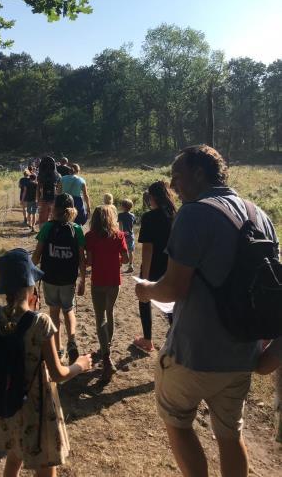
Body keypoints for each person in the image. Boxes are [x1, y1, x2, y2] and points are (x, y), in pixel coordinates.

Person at [135, 145, 278, 477]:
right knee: (231, 436)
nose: (172, 185)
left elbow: (173, 288)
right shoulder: (260, 216)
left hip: (193, 353)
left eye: (177, 176)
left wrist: (145, 289)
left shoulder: (194, 212)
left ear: (199, 173)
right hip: (243, 353)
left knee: (178, 424)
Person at [0, 248, 92, 476]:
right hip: (38, 405)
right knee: (45, 462)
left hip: (10, 398)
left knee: (14, 453)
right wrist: (80, 365)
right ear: (31, 286)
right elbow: (58, 373)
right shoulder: (40, 322)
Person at [32, 194, 86, 365]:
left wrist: (31, 276)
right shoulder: (77, 229)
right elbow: (81, 258)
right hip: (68, 278)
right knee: (68, 309)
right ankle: (72, 340)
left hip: (50, 277)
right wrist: (83, 279)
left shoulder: (47, 227)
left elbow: (37, 255)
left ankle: (59, 348)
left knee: (54, 312)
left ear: (54, 209)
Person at [85, 204, 129, 381]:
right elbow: (125, 259)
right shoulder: (119, 236)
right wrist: (116, 258)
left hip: (98, 281)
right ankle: (106, 346)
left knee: (99, 317)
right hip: (114, 281)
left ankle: (106, 356)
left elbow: (89, 261)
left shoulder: (90, 236)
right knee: (110, 313)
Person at [133, 181, 177, 353]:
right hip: (173, 266)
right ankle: (175, 335)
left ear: (152, 197)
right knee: (173, 304)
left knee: (144, 299)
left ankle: (147, 339)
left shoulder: (149, 218)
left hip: (154, 267)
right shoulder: (176, 215)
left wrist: (144, 276)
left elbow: (148, 249)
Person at [37, 156, 61, 227]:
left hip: (43, 198)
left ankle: (43, 234)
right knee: (54, 218)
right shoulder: (58, 175)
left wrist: (37, 199)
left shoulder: (40, 176)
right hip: (54, 199)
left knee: (43, 219)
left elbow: (38, 188)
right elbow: (59, 189)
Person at [118, 198, 136, 273]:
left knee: (121, 249)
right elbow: (133, 224)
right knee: (130, 250)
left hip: (123, 234)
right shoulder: (132, 215)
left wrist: (120, 233)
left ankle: (120, 263)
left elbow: (120, 226)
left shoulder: (120, 215)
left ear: (123, 207)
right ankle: (131, 265)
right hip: (131, 235)